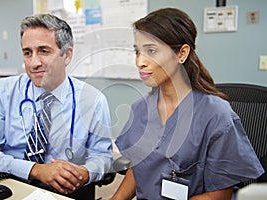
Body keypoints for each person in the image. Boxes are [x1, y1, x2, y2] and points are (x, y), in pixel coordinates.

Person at [111, 8, 264, 200]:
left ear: (181, 53)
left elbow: (220, 195)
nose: (140, 62)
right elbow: (140, 168)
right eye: (137, 52)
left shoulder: (215, 114)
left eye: (151, 51)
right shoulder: (141, 110)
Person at [0, 14, 112, 200]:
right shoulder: (3, 92)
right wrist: (35, 170)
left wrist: (85, 173)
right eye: (27, 53)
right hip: (10, 184)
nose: (34, 63)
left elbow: (102, 156)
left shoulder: (93, 100)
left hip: (64, 191)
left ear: (67, 55)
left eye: (44, 51)